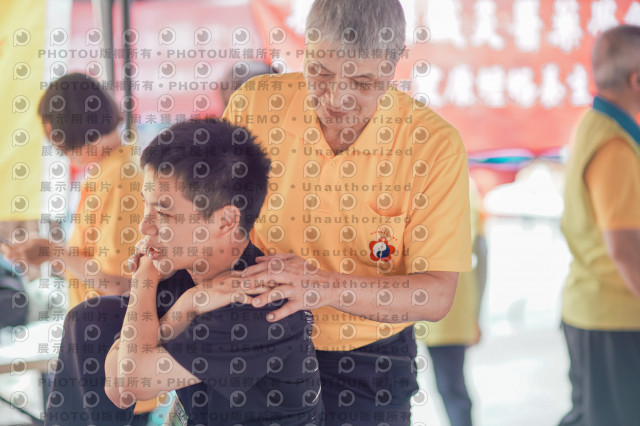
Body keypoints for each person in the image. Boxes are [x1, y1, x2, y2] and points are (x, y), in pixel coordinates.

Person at [222, 0, 472, 424]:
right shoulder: (255, 105)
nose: (337, 98)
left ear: (393, 65)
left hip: (370, 361)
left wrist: (324, 287)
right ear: (305, 48)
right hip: (258, 337)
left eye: (362, 82)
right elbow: (215, 215)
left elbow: (435, 295)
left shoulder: (433, 145)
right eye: (320, 73)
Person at [44, 118, 324, 426]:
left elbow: (130, 383)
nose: (145, 226)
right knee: (90, 317)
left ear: (225, 221)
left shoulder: (260, 303)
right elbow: (116, 388)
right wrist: (182, 303)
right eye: (146, 207)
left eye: (163, 213)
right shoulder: (178, 271)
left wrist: (153, 285)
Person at [1, 73, 144, 308]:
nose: (61, 151)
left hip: (107, 323)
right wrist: (50, 252)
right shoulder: (109, 172)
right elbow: (95, 268)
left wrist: (55, 252)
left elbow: (119, 284)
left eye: (58, 141)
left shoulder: (120, 178)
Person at [559, 25, 640, 426]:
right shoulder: (615, 144)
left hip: (596, 310)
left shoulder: (596, 125)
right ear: (636, 80)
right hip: (613, 315)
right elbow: (624, 249)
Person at [415, 179, 487, 426]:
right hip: (437, 307)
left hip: (444, 307)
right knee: (450, 387)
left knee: (450, 388)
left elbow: (480, 250)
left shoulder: (461, 185)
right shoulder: (464, 185)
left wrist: (475, 315)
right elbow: (482, 251)